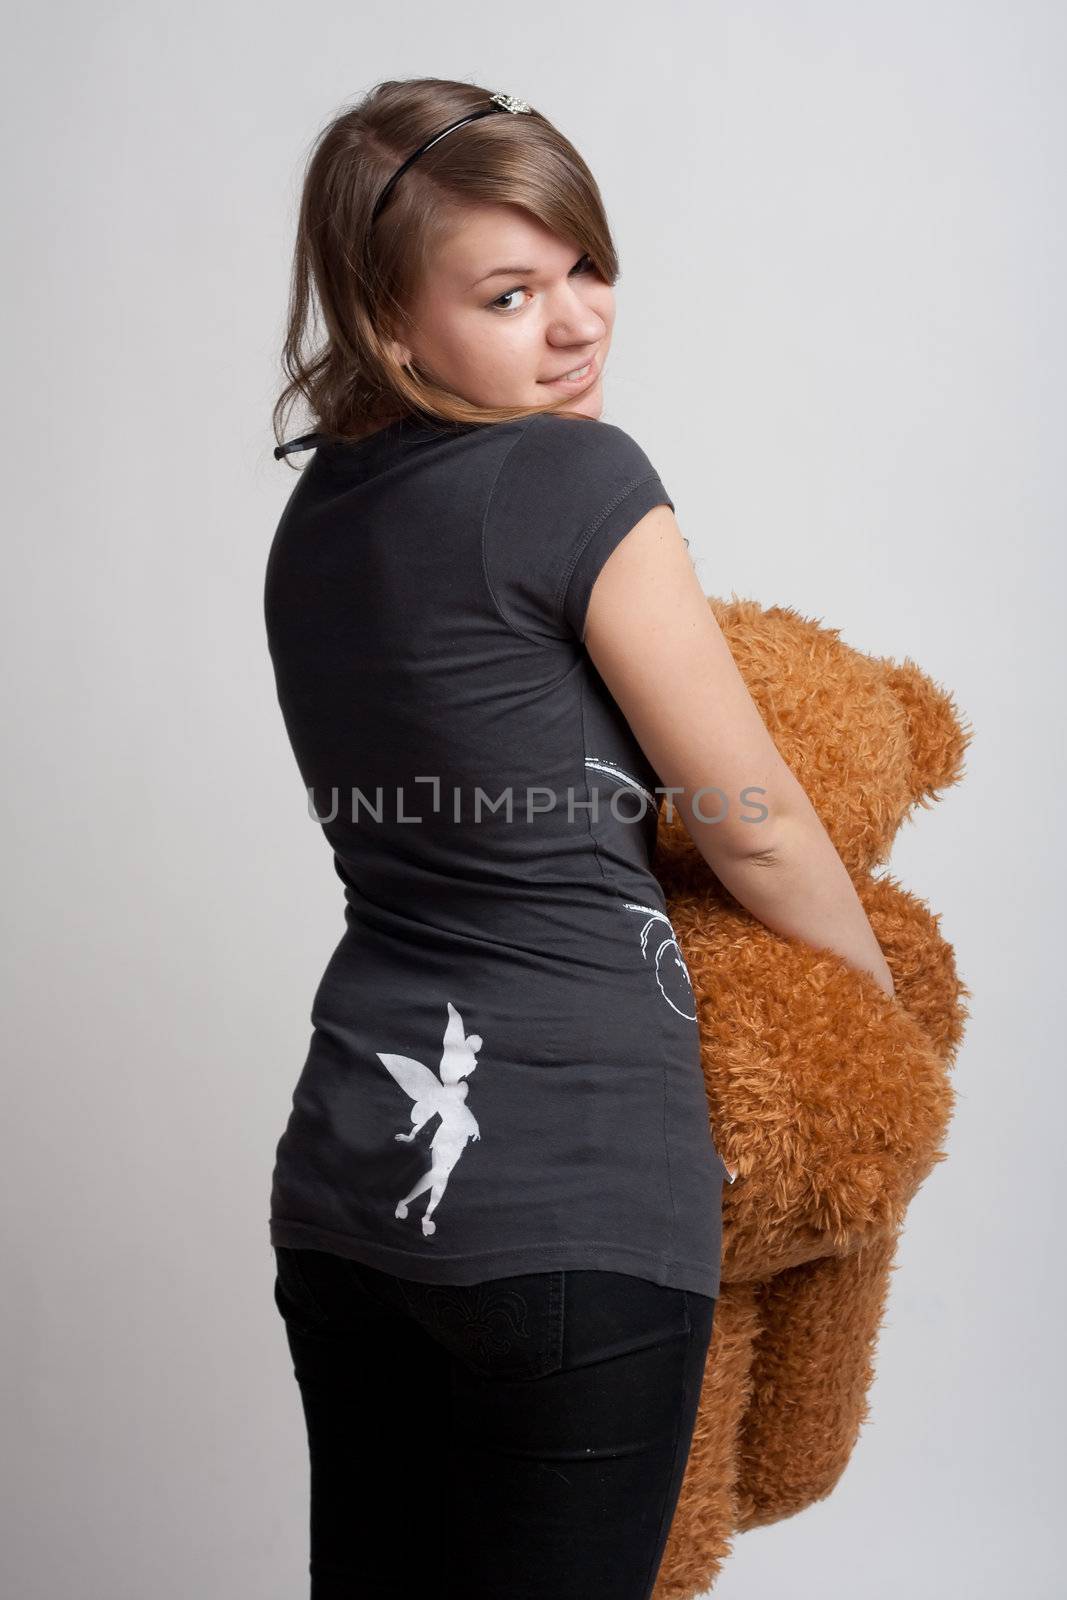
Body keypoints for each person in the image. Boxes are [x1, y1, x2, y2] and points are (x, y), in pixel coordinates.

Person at [264, 78, 895, 1600]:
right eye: (508, 292)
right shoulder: (573, 479)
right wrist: (883, 1032)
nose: (576, 323)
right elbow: (749, 828)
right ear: (387, 322)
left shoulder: (318, 524)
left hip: (349, 1198)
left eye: (583, 267)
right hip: (572, 1194)